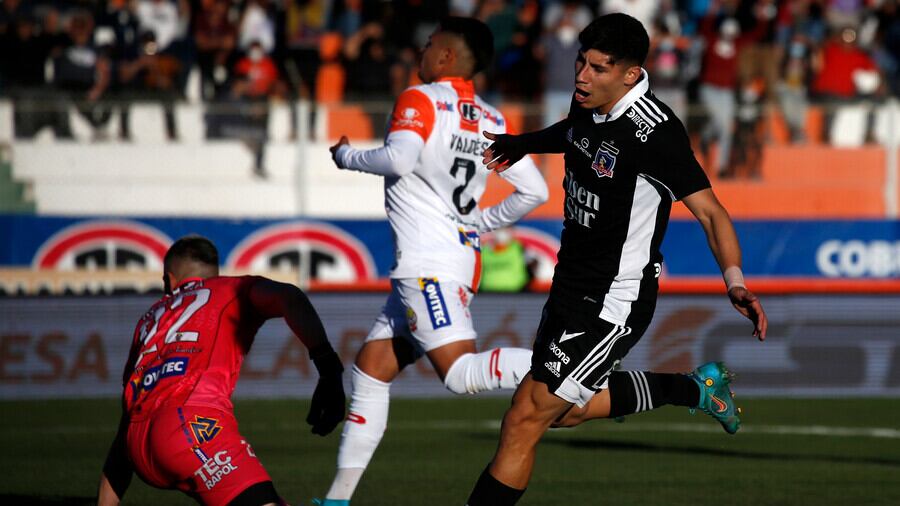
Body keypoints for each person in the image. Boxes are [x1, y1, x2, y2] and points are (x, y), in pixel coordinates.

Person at [465, 13, 768, 505]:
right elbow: (574, 133)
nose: (581, 76)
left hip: (613, 299)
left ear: (629, 75)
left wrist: (734, 282)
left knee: (525, 417)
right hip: (570, 284)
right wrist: (524, 143)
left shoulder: (656, 133)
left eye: (598, 67)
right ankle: (694, 389)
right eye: (581, 62)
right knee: (563, 413)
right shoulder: (588, 100)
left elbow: (711, 213)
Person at [315, 16, 549, 506]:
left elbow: (399, 159)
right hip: (457, 259)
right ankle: (336, 499)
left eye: (428, 43)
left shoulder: (418, 99)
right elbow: (535, 189)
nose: (420, 51)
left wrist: (346, 157)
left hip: (427, 262)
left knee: (460, 375)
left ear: (445, 56)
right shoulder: (490, 118)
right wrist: (483, 221)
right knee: (372, 369)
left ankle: (566, 371)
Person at [96, 236, 346, 506]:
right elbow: (290, 297)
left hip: (137, 445)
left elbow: (128, 414)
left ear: (168, 279)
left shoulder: (149, 319)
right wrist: (328, 368)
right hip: (190, 427)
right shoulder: (231, 289)